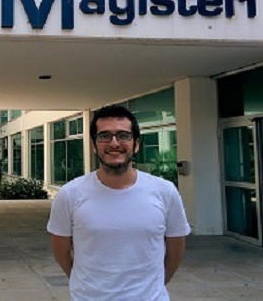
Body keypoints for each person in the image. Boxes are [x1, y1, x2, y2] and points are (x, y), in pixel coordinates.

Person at [47, 104, 190, 301]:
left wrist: (152, 287)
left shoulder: (165, 192)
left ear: (136, 144)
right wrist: (84, 285)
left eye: (123, 135)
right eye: (104, 136)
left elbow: (175, 251)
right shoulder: (70, 194)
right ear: (94, 145)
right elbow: (61, 251)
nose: (114, 143)